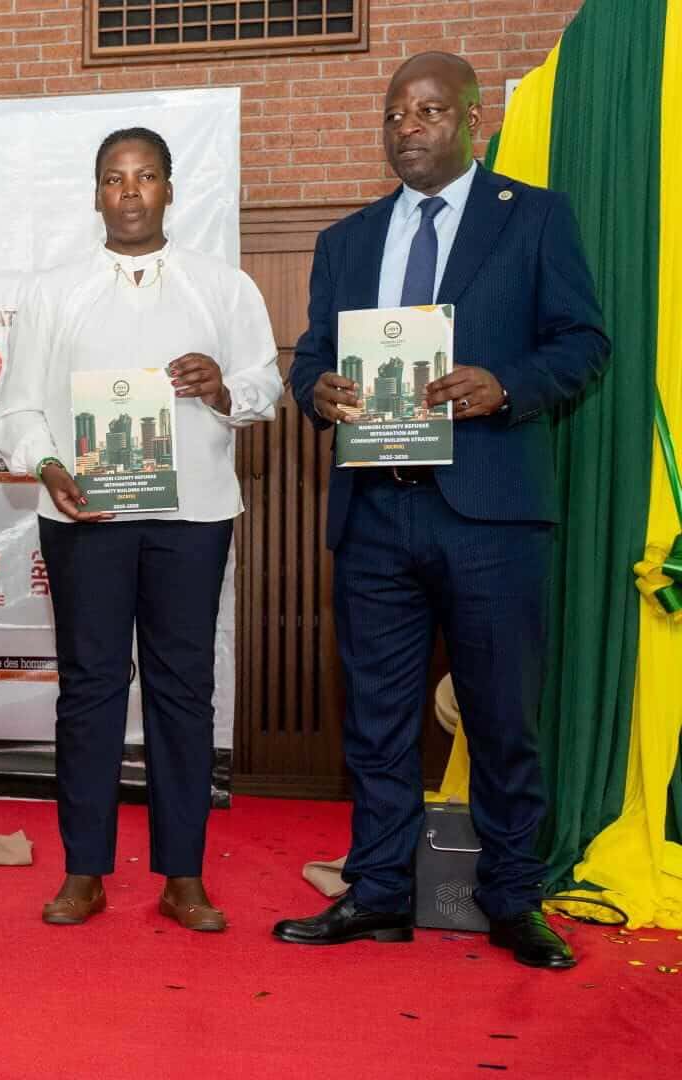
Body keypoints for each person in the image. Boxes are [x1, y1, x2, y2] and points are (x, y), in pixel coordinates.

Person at [276, 52, 609, 968]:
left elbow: (583, 341)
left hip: (490, 513)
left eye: (427, 111)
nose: (408, 128)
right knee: (376, 722)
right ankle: (379, 893)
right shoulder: (346, 240)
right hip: (375, 513)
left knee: (502, 717)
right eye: (395, 115)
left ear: (472, 120)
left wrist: (508, 385)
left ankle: (512, 900)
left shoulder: (533, 217)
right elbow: (311, 356)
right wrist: (317, 392)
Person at [0, 128, 283, 932]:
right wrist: (49, 465)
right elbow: (16, 409)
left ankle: (183, 875)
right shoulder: (54, 291)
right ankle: (83, 871)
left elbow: (265, 383)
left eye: (145, 176)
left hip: (194, 517)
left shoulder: (223, 287)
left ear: (169, 190)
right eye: (115, 178)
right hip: (86, 517)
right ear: (96, 194)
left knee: (182, 689)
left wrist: (223, 388)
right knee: (89, 688)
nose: (129, 191)